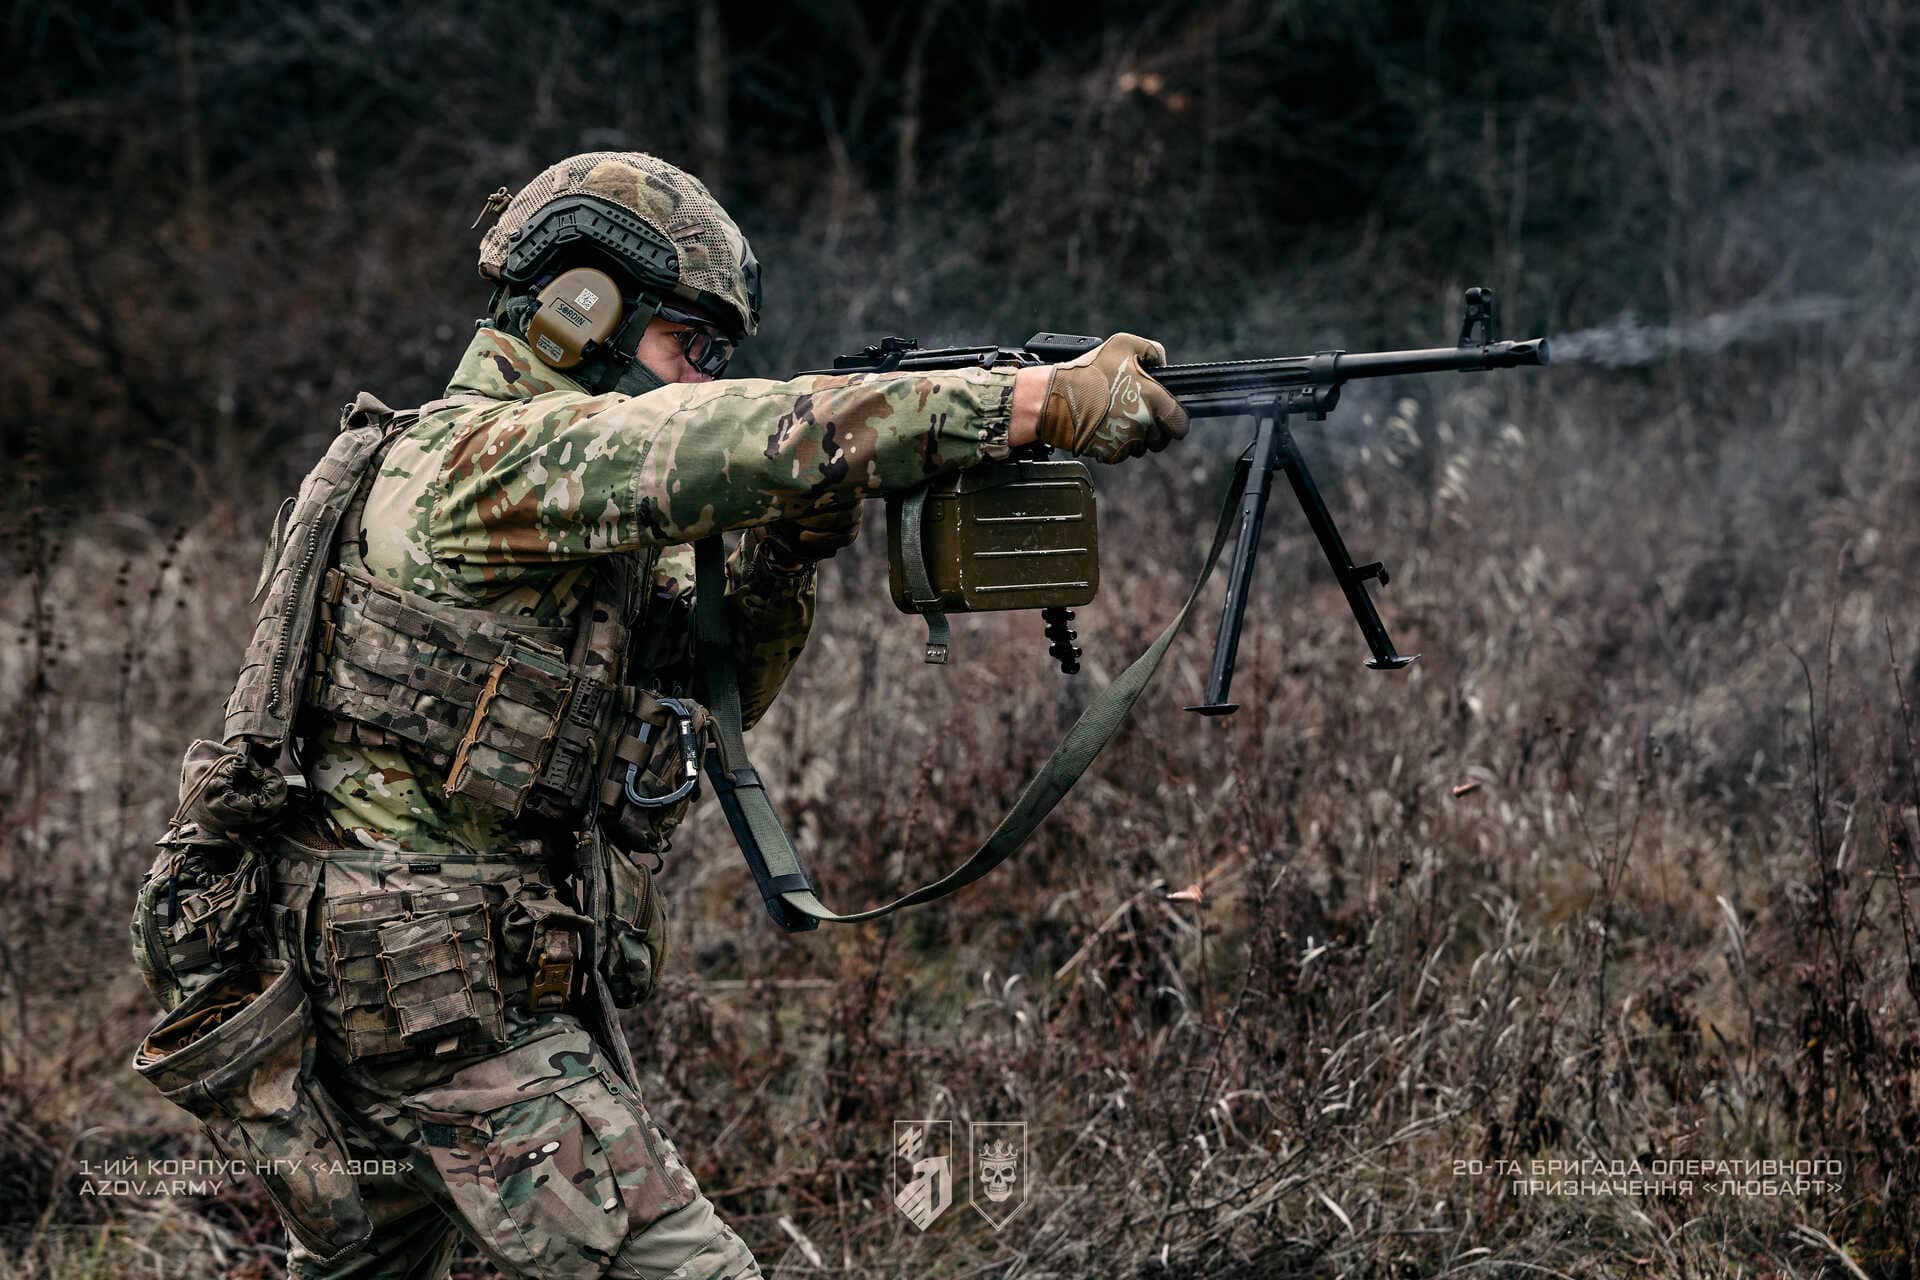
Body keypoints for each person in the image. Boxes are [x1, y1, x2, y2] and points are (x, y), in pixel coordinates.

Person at [134, 150, 1188, 1279]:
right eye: (690, 342)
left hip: (409, 977)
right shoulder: (481, 459)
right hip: (429, 994)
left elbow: (692, 704)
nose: (699, 375)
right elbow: (736, 435)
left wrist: (782, 560)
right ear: (582, 305)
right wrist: (1026, 401)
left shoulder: (525, 496)